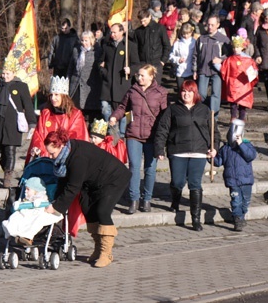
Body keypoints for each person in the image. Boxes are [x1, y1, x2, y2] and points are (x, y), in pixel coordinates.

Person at [43, 129, 130, 268]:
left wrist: (55, 207)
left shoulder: (78, 158)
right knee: (87, 208)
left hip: (114, 178)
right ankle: (98, 249)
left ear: (61, 146)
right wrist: (55, 200)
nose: (51, 156)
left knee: (102, 211)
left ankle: (106, 253)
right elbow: (64, 181)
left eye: (52, 153)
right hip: (93, 180)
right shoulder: (66, 154)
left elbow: (72, 187)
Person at [154, 80, 220, 231]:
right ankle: (175, 200)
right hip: (178, 151)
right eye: (184, 91)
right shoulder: (173, 109)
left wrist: (214, 148)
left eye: (189, 91)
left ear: (195, 93)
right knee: (177, 182)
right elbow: (162, 129)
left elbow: (214, 133)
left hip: (199, 152)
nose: (186, 94)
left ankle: (195, 219)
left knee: (195, 184)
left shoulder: (204, 110)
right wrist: (159, 149)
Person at [110, 64, 167, 214]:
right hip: (133, 134)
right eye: (138, 75)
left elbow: (165, 115)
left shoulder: (161, 93)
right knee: (134, 167)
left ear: (151, 76)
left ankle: (146, 199)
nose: (139, 78)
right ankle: (133, 200)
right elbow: (123, 107)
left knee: (150, 169)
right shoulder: (132, 91)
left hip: (152, 136)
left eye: (142, 75)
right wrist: (115, 117)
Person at [0, 57, 37, 188]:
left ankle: (8, 176)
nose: (5, 76)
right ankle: (5, 166)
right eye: (3, 73)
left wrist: (32, 123)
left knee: (11, 150)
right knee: (2, 152)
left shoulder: (21, 86)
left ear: (14, 73)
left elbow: (28, 106)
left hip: (13, 124)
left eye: (8, 73)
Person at [25, 75, 89, 164]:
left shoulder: (75, 114)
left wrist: (60, 150)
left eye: (56, 95)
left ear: (64, 96)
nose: (53, 98)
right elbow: (39, 134)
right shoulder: (46, 113)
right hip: (46, 156)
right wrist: (37, 147)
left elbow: (77, 137)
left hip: (66, 158)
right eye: (51, 95)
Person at [214, 119, 257, 232]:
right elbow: (218, 162)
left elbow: (250, 156)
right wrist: (211, 157)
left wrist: (241, 144)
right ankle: (237, 219)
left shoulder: (247, 145)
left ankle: (241, 217)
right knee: (236, 200)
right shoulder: (226, 148)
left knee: (245, 202)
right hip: (232, 181)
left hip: (246, 180)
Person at [100, 23, 140, 135]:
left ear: (122, 32)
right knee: (104, 107)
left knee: (125, 111)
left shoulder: (130, 46)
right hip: (108, 85)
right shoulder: (107, 46)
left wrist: (130, 70)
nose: (112, 34)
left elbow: (137, 64)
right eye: (111, 32)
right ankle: (112, 131)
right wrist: (104, 72)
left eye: (114, 32)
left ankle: (124, 134)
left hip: (123, 85)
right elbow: (100, 62)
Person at [1, 177, 63, 246]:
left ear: (36, 191)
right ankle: (10, 228)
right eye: (25, 189)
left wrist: (39, 203)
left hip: (37, 213)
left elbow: (46, 204)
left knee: (35, 221)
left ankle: (27, 237)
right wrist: (18, 204)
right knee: (15, 216)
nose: (25, 191)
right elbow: (23, 204)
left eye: (28, 189)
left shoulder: (42, 198)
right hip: (27, 212)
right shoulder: (26, 199)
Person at [193, 15, 231, 119]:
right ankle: (202, 114)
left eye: (212, 25)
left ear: (218, 25)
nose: (209, 27)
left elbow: (230, 55)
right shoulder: (201, 38)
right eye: (208, 24)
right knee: (201, 94)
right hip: (203, 70)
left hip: (217, 72)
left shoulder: (224, 39)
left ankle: (214, 117)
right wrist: (195, 70)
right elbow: (195, 55)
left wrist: (221, 59)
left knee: (215, 95)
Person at [220, 36, 259, 121]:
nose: (235, 49)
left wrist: (254, 73)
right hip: (233, 83)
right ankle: (233, 117)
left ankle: (242, 118)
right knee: (233, 102)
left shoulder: (248, 60)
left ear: (242, 47)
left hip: (243, 84)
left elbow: (253, 70)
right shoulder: (229, 59)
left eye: (237, 47)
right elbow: (224, 69)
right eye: (234, 47)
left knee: (242, 102)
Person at [67, 30, 103, 123]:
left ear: (91, 40)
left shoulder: (97, 51)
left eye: (86, 41)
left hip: (90, 86)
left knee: (89, 111)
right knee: (75, 110)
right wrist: (68, 80)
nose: (84, 43)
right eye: (82, 40)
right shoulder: (76, 50)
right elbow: (71, 67)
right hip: (76, 86)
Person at [132, 8, 171, 86]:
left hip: (156, 63)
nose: (143, 23)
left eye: (144, 20)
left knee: (155, 86)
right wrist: (137, 63)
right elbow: (135, 49)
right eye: (141, 21)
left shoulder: (160, 28)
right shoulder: (138, 31)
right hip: (143, 63)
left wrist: (163, 61)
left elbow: (166, 45)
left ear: (149, 16)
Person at [169, 22, 196, 92]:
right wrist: (178, 59)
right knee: (181, 91)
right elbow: (171, 56)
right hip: (180, 71)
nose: (186, 36)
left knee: (190, 91)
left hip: (191, 71)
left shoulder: (195, 42)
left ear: (191, 33)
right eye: (184, 34)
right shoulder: (177, 43)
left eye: (188, 34)